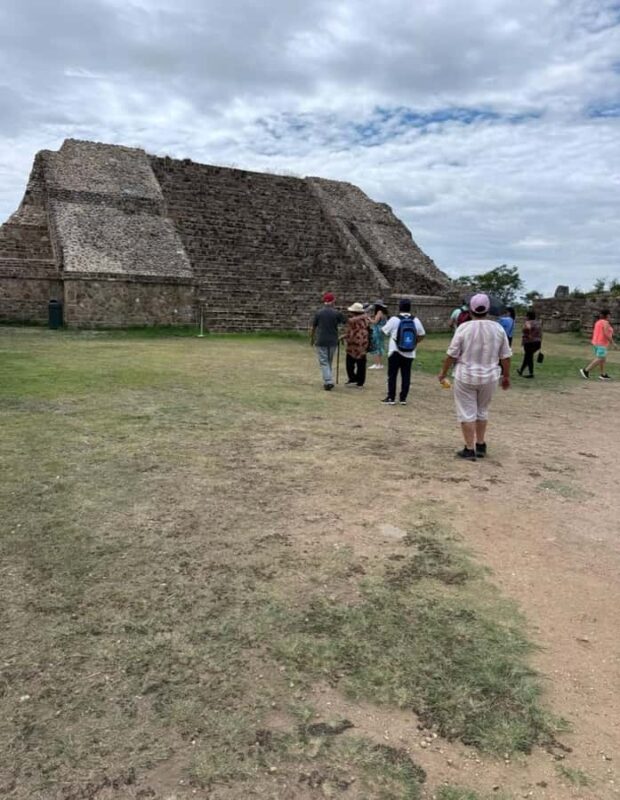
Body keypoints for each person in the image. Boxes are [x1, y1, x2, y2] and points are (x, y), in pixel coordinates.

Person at [438, 293, 511, 460]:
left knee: (466, 412)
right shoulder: (498, 328)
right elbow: (505, 356)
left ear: (470, 309)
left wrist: (443, 372)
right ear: (488, 309)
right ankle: (480, 443)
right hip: (489, 376)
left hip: (466, 376)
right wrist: (506, 376)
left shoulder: (464, 328)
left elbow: (452, 354)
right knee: (482, 410)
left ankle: (469, 448)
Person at [381, 298, 426, 405]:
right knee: (406, 375)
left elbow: (384, 331)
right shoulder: (415, 320)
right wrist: (414, 343)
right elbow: (422, 334)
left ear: (399, 307)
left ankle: (391, 397)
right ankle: (403, 398)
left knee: (392, 375)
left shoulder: (394, 319)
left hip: (395, 351)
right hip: (409, 352)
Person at [310, 292, 346, 390]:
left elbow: (313, 327)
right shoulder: (336, 313)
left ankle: (328, 381)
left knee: (324, 361)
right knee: (328, 361)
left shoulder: (319, 313)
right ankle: (328, 380)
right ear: (333, 301)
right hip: (333, 340)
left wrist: (312, 338)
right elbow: (345, 322)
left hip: (321, 340)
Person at [580, 309, 616, 381]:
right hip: (601, 343)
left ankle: (603, 374)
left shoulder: (598, 322)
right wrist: (613, 343)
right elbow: (606, 334)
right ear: (607, 315)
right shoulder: (605, 322)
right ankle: (586, 370)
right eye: (610, 315)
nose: (610, 316)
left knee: (602, 359)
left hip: (597, 343)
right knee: (600, 358)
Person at [343, 302, 371, 387]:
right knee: (361, 362)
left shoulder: (353, 321)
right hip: (364, 341)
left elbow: (350, 332)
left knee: (350, 362)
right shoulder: (366, 318)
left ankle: (352, 378)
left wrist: (346, 337)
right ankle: (360, 381)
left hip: (354, 342)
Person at [517, 311, 543, 378]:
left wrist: (528, 335)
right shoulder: (538, 323)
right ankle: (521, 371)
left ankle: (531, 373)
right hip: (537, 342)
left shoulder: (528, 322)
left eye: (526, 316)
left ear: (528, 316)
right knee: (527, 357)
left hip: (529, 342)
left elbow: (527, 328)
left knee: (529, 357)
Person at [368, 301, 388, 369]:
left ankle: (376, 364)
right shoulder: (384, 313)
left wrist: (369, 319)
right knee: (379, 347)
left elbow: (375, 322)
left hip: (377, 331)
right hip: (381, 331)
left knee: (375, 346)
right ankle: (379, 363)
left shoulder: (379, 312)